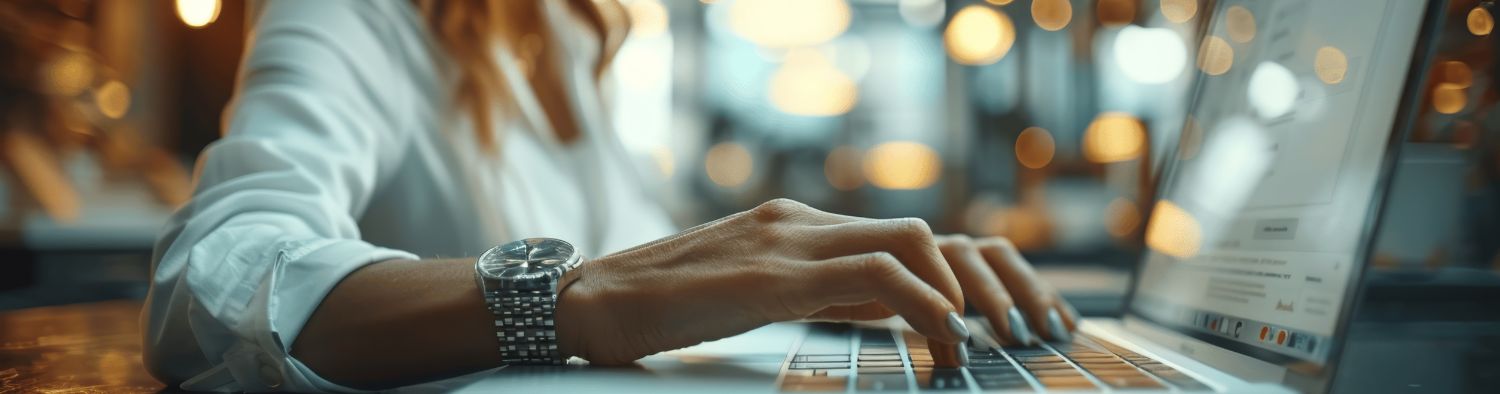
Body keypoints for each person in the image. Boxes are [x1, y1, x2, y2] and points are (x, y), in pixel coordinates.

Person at [141, 0, 1078, 391]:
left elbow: (660, 270)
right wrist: (579, 298)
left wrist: (829, 284)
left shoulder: (570, 39)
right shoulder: (354, 16)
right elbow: (206, 287)